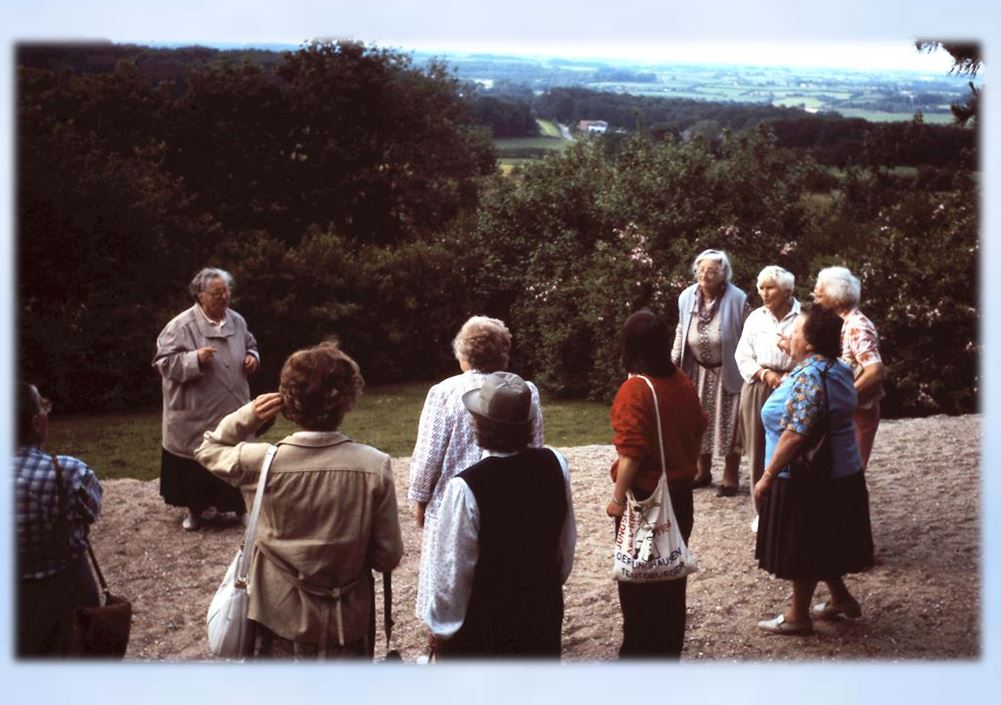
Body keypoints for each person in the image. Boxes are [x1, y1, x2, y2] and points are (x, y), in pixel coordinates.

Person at [195, 342, 403, 659]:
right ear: (347, 401)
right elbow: (387, 558)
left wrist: (248, 415)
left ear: (288, 401)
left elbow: (207, 449)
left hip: (277, 619)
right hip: (347, 626)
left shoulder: (259, 462)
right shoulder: (374, 466)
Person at [422, 372, 576, 658]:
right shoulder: (555, 465)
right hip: (541, 613)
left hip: (486, 627)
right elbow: (565, 546)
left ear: (479, 424)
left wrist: (441, 628)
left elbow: (453, 571)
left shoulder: (465, 487)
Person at [409, 315, 544, 623]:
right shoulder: (526, 390)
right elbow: (534, 447)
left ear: (463, 355)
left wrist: (419, 498)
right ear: (503, 354)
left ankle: (445, 626)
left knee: (448, 571)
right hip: (511, 498)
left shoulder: (443, 392)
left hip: (452, 502)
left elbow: (429, 454)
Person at [753, 305, 874, 635]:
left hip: (806, 476)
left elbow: (795, 434)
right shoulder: (839, 368)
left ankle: (797, 616)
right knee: (823, 539)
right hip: (842, 472)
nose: (790, 335)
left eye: (796, 331)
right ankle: (841, 598)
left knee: (802, 544)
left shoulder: (809, 377)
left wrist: (766, 477)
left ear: (808, 343)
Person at [607, 309, 707, 658]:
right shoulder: (681, 381)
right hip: (680, 495)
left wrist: (617, 498)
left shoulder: (635, 390)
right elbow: (699, 426)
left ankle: (637, 660)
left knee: (638, 586)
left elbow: (632, 452)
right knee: (671, 579)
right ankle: (667, 655)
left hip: (646, 496)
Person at [153, 267, 260, 530]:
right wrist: (193, 359)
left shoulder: (237, 321)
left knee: (236, 457)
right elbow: (163, 363)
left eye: (226, 291)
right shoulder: (179, 326)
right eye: (216, 293)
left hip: (232, 405)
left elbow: (251, 344)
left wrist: (252, 358)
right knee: (196, 461)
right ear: (200, 295)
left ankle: (239, 509)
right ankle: (196, 512)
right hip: (195, 413)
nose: (223, 297)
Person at [15, 382, 103, 657]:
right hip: (69, 590)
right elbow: (91, 513)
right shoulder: (70, 471)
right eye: (43, 404)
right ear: (36, 422)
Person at [671, 249, 750, 496]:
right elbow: (682, 330)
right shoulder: (686, 297)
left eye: (712, 271)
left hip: (728, 369)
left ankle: (730, 476)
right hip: (696, 370)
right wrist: (672, 361)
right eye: (702, 270)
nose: (705, 275)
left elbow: (749, 332)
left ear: (723, 275)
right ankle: (702, 472)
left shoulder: (737, 298)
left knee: (730, 422)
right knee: (698, 422)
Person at [734, 265, 800, 521]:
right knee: (757, 449)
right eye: (760, 287)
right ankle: (762, 513)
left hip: (793, 384)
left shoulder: (802, 317)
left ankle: (789, 510)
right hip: (759, 385)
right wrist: (764, 374)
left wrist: (789, 377)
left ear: (786, 290)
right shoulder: (755, 318)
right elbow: (742, 356)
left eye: (769, 287)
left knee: (790, 446)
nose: (763, 293)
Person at [811, 266, 886, 469]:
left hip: (858, 412)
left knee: (852, 471)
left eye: (820, 292)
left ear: (836, 296)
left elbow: (875, 371)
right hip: (843, 412)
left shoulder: (856, 326)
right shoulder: (839, 323)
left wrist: (846, 397)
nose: (815, 296)